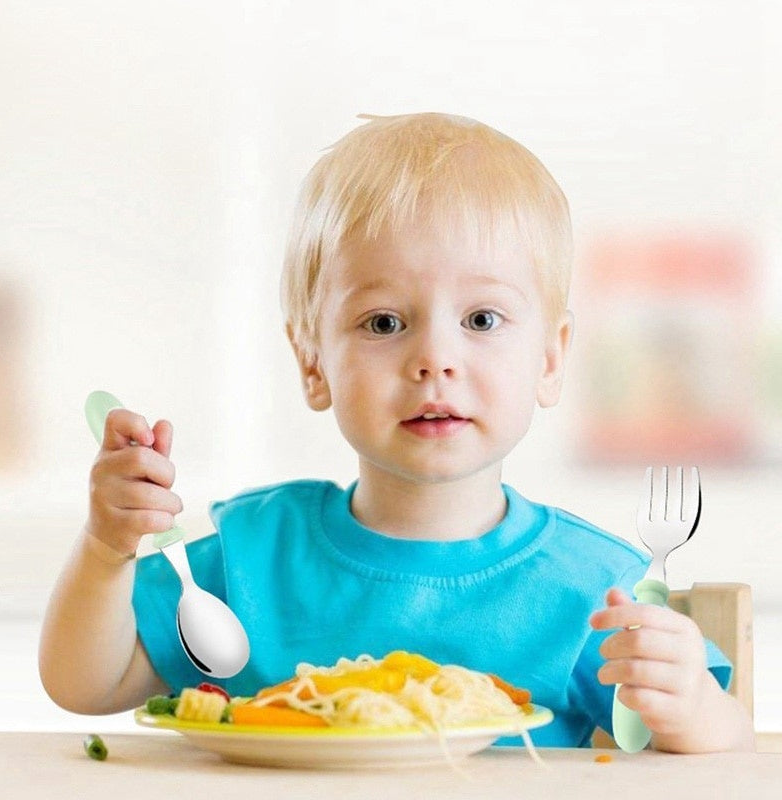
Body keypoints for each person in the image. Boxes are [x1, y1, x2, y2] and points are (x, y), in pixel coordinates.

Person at [39, 112, 754, 751]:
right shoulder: (249, 555)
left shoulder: (596, 590)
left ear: (550, 358)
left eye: (481, 320)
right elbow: (86, 685)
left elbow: (723, 740)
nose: (434, 359)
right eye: (384, 323)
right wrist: (106, 550)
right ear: (312, 362)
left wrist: (690, 705)